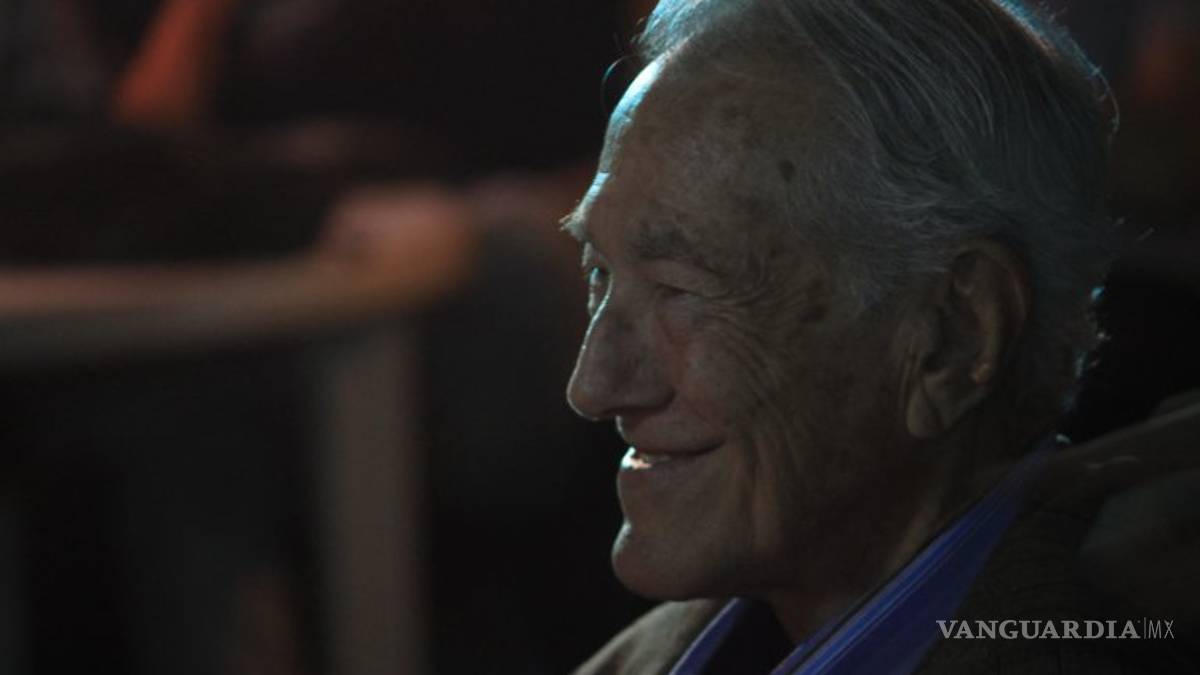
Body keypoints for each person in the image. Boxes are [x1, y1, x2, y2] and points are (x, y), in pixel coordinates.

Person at [561, 0, 1200, 672]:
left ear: (953, 335)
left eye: (680, 290)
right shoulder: (642, 659)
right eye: (599, 272)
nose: (592, 386)